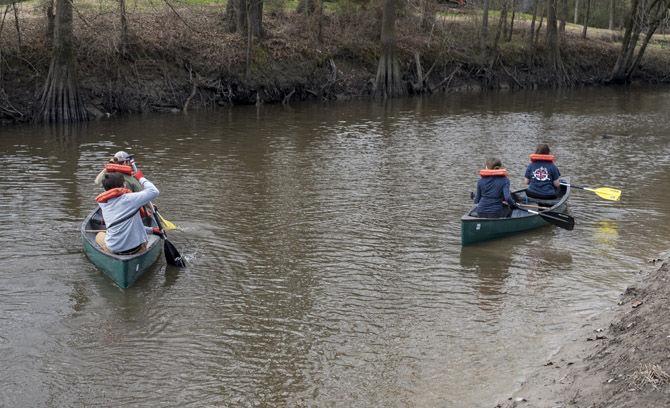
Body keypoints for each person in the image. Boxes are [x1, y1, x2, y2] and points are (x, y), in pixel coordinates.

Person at [95, 167, 160, 255]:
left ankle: (107, 254)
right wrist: (141, 178)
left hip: (114, 248)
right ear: (124, 185)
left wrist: (151, 230)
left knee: (99, 235)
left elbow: (123, 226)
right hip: (136, 248)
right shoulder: (131, 199)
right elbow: (154, 191)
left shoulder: (103, 204)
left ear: (105, 189)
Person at [95, 150, 153, 223]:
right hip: (129, 208)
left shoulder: (107, 175)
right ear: (125, 162)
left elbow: (97, 181)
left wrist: (108, 167)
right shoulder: (131, 179)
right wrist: (150, 207)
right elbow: (144, 194)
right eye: (128, 162)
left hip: (112, 208)